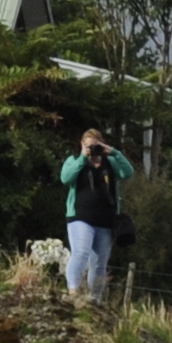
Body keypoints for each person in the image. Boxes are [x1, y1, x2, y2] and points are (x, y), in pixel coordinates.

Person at [57, 127, 123, 297]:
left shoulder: (110, 162)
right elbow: (65, 178)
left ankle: (95, 300)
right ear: (82, 145)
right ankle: (73, 289)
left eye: (96, 146)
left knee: (100, 263)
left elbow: (128, 172)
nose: (93, 149)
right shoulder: (75, 160)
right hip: (80, 217)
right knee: (81, 252)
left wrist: (115, 153)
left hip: (105, 221)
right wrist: (82, 158)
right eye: (89, 146)